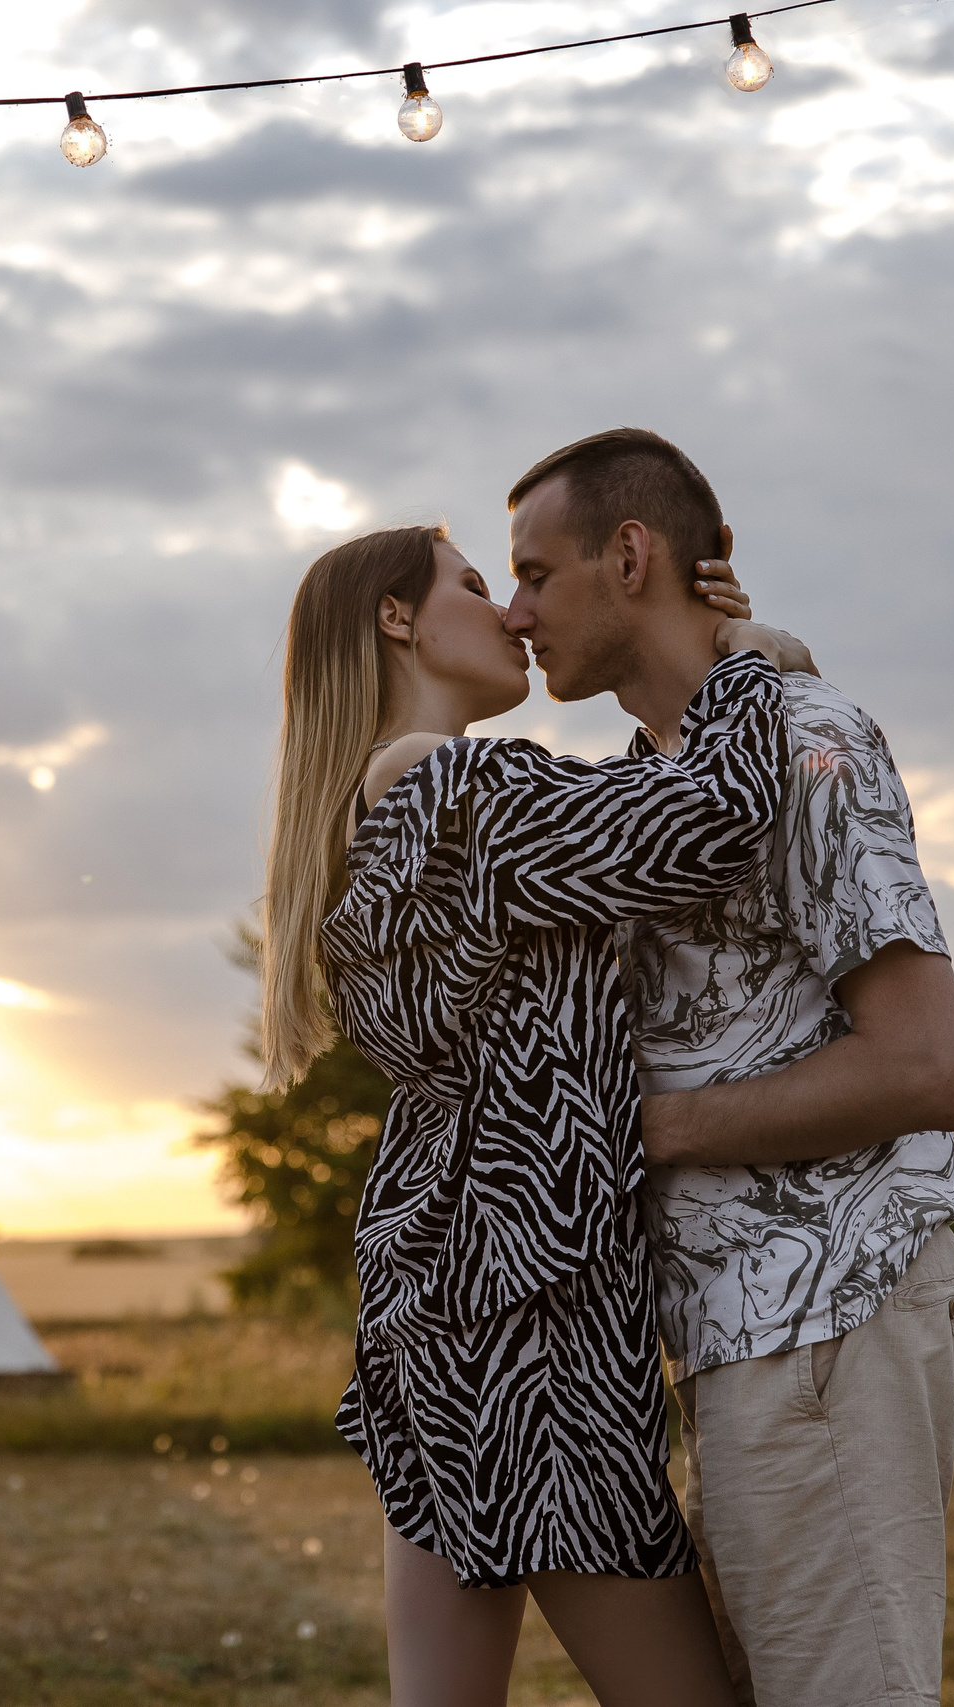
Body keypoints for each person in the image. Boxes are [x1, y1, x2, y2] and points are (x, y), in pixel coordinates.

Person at [259, 522, 808, 1707]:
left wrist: (684, 659)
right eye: (473, 585)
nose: (511, 613)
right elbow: (707, 823)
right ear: (397, 619)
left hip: (433, 1304)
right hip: (530, 1328)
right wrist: (751, 660)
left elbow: (634, 812)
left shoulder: (373, 817)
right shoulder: (457, 789)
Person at [504, 428, 954, 1707]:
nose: (516, 611)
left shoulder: (808, 740)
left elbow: (931, 1068)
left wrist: (644, 1132)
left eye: (536, 574)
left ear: (629, 554)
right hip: (743, 1334)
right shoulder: (651, 786)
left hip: (828, 1310)